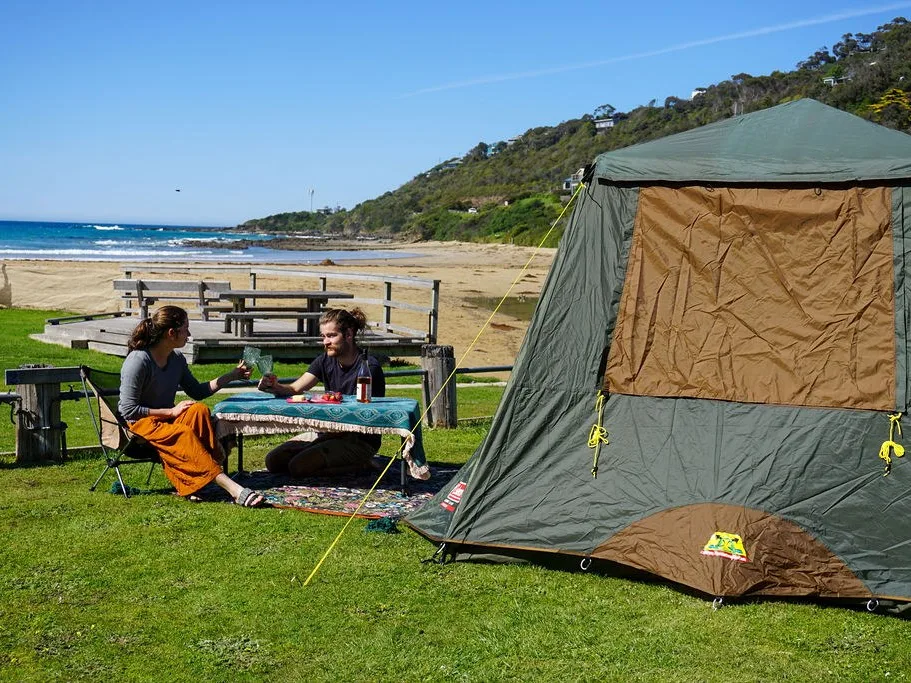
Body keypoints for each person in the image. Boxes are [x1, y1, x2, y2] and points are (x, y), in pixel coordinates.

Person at [118, 305, 265, 507]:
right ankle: (233, 488)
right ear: (172, 333)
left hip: (165, 421)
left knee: (198, 410)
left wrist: (232, 375)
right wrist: (171, 411)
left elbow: (197, 391)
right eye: (186, 328)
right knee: (183, 433)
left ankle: (197, 479)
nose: (189, 334)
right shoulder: (138, 360)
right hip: (139, 424)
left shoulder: (176, 360)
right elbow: (128, 409)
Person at [257, 307, 386, 478]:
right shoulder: (325, 360)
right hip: (326, 432)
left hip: (358, 439)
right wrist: (274, 387)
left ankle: (361, 465)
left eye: (331, 336)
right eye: (323, 336)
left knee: (298, 467)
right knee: (273, 461)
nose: (325, 342)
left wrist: (317, 442)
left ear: (348, 334)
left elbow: (367, 419)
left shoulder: (369, 368)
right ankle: (321, 455)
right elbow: (295, 389)